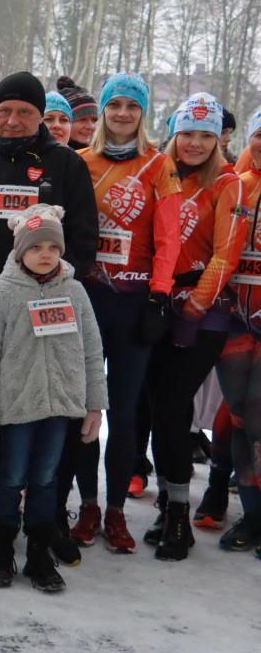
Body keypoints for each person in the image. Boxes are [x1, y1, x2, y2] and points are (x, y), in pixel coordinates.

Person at [0, 72, 99, 555]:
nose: (12, 120)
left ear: (39, 116)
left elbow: (83, 238)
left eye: (24, 112)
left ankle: (52, 519)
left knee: (55, 418)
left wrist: (50, 290)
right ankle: (1, 514)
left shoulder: (66, 165)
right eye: (4, 111)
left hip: (53, 314)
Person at [68, 71, 181, 555]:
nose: (122, 113)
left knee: (125, 408)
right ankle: (88, 505)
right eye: (114, 105)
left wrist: (158, 296)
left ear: (143, 114)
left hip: (135, 302)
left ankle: (115, 510)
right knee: (83, 407)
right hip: (88, 299)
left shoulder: (159, 164)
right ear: (103, 111)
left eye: (132, 106)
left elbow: (169, 239)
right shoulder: (80, 161)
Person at [0, 204, 106, 592]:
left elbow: (92, 351)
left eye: (53, 247)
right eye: (36, 247)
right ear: (19, 250)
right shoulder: (1, 294)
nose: (46, 254)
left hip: (60, 407)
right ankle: (1, 548)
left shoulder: (75, 292)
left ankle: (39, 551)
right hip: (17, 406)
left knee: (47, 478)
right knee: (10, 477)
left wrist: (94, 405)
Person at [142, 93, 247, 561]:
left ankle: (180, 512)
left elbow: (226, 256)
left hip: (204, 312)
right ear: (174, 133)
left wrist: (193, 311)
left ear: (219, 139)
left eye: (206, 135)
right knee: (159, 408)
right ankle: (169, 504)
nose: (196, 143)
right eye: (187, 133)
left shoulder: (227, 183)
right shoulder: (159, 172)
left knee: (170, 405)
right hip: (157, 302)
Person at [214, 107, 261, 556]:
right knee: (242, 420)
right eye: (260, 134)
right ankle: (251, 515)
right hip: (233, 322)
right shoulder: (236, 185)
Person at [56, 76, 98, 150]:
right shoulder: (42, 154)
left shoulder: (102, 154)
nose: (91, 126)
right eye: (82, 119)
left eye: (94, 120)